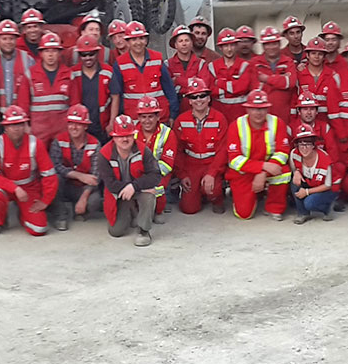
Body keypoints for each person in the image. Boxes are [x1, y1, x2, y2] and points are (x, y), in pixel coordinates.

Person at [0, 106, 57, 236]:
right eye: (12, 125)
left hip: (29, 188)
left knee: (39, 229)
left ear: (25, 125)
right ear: (5, 128)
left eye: (19, 124)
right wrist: (15, 188)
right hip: (6, 187)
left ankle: (23, 214)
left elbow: (49, 174)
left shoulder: (35, 143)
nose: (16, 128)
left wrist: (45, 200)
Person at [224, 89, 291, 220]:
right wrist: (262, 167)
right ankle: (251, 194)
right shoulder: (236, 126)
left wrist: (263, 173)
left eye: (262, 109)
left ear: (267, 109)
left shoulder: (278, 123)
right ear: (247, 109)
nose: (258, 113)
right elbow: (234, 160)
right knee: (243, 214)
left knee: (284, 172)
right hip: (244, 172)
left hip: (268, 169)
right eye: (254, 109)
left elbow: (282, 152)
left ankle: (274, 207)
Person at [97, 115, 162, 246]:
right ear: (114, 137)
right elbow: (110, 184)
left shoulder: (144, 150)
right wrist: (130, 187)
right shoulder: (104, 154)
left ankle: (143, 231)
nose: (125, 139)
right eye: (120, 136)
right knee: (116, 231)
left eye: (128, 135)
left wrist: (134, 186)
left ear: (134, 136)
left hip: (137, 189)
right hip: (118, 194)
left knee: (149, 195)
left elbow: (155, 175)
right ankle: (132, 210)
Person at [173, 77, 225, 215]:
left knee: (213, 189)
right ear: (189, 101)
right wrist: (182, 175)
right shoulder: (181, 121)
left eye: (202, 96)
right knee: (189, 209)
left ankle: (216, 198)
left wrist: (212, 173)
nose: (199, 100)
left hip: (212, 162)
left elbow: (222, 150)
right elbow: (177, 151)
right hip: (192, 165)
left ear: (209, 98)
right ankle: (199, 193)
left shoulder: (219, 119)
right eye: (194, 97)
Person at [50, 105, 103, 230]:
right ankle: (61, 215)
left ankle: (80, 210)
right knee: (54, 180)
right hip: (65, 185)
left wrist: (84, 198)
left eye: (78, 124)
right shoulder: (58, 141)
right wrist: (79, 175)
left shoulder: (95, 144)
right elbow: (55, 167)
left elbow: (96, 177)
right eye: (71, 123)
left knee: (94, 201)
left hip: (82, 189)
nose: (73, 127)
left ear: (85, 126)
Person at [113, 22, 179, 117]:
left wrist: (173, 114)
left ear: (146, 40)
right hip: (134, 120)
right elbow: (118, 96)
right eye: (134, 39)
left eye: (141, 38)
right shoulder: (120, 64)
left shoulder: (157, 59)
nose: (138, 42)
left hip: (159, 118)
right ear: (127, 42)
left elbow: (169, 89)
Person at [25, 32, 75, 143]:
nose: (50, 55)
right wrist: (26, 126)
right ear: (41, 53)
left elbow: (75, 105)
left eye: (54, 51)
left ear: (60, 53)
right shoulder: (30, 74)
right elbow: (23, 104)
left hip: (62, 130)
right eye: (47, 51)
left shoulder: (69, 74)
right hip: (38, 131)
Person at [288, 126, 340, 224]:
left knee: (310, 203)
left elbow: (328, 185)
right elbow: (294, 168)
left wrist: (307, 192)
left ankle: (328, 207)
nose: (304, 148)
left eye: (307, 143)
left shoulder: (325, 160)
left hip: (328, 188)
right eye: (300, 144)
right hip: (310, 182)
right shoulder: (294, 153)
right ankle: (303, 213)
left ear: (313, 145)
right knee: (294, 181)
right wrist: (296, 172)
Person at [69, 36, 118, 139]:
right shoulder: (73, 73)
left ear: (97, 53)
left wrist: (112, 122)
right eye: (83, 54)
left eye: (91, 54)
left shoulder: (108, 72)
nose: (88, 58)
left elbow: (115, 97)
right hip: (80, 126)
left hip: (102, 127)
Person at [211, 28, 255, 122]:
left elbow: (242, 87)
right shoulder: (212, 66)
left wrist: (220, 83)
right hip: (219, 112)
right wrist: (234, 88)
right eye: (226, 46)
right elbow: (211, 90)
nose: (229, 49)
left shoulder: (245, 65)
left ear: (236, 46)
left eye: (232, 45)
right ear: (220, 47)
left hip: (241, 113)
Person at [166, 26, 213, 108]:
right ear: (175, 45)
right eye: (180, 41)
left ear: (192, 43)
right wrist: (193, 83)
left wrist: (178, 81)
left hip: (198, 107)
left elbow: (204, 86)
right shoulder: (167, 64)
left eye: (187, 40)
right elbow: (168, 89)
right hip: (176, 108)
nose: (184, 44)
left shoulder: (201, 64)